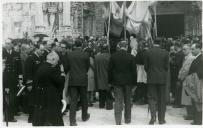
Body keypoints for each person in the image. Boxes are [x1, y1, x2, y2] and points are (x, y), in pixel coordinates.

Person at [32, 52, 65, 126]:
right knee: (54, 119)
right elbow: (60, 82)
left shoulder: (40, 67)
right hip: (51, 96)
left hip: (41, 94)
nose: (57, 63)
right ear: (53, 60)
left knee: (42, 118)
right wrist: (62, 72)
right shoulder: (51, 69)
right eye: (56, 61)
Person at [109, 40, 137, 125]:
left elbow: (109, 70)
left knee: (118, 101)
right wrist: (135, 83)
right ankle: (127, 119)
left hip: (117, 82)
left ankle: (118, 121)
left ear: (119, 46)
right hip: (128, 83)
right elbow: (134, 72)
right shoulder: (131, 57)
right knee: (128, 101)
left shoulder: (113, 56)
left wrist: (110, 82)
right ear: (127, 47)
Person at [144, 39, 169, 125]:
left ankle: (153, 117)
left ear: (153, 43)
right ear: (161, 43)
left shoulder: (148, 52)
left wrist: (151, 72)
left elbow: (146, 67)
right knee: (162, 99)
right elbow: (166, 67)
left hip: (151, 78)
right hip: (162, 79)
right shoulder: (165, 53)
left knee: (152, 98)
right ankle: (161, 119)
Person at [66, 39, 90, 126]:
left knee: (73, 100)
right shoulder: (86, 54)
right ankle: (84, 116)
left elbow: (67, 67)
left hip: (73, 79)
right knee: (84, 99)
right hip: (83, 79)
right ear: (81, 45)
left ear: (74, 45)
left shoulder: (70, 55)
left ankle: (72, 121)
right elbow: (87, 67)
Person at [3, 39, 23, 122]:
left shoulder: (16, 53)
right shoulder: (2, 53)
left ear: (12, 44)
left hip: (14, 79)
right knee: (6, 99)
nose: (7, 45)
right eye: (6, 43)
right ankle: (7, 117)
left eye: (9, 43)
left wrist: (20, 79)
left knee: (13, 98)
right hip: (5, 79)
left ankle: (11, 115)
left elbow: (19, 67)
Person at [24, 44, 44, 123]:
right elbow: (28, 72)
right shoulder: (30, 58)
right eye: (41, 50)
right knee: (32, 100)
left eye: (43, 50)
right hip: (33, 83)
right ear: (36, 49)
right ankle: (31, 117)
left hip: (40, 83)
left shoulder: (41, 57)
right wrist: (29, 84)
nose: (42, 52)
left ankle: (37, 116)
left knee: (38, 100)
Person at [178, 44, 195, 120]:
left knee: (188, 97)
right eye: (182, 49)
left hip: (188, 79)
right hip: (186, 79)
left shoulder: (191, 58)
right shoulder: (186, 57)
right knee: (186, 97)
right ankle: (189, 114)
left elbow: (186, 70)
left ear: (190, 49)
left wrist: (180, 77)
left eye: (185, 49)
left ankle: (190, 114)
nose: (183, 51)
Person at [188, 43, 203, 125]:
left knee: (197, 101)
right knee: (195, 101)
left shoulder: (201, 58)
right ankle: (197, 119)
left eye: (193, 49)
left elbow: (200, 73)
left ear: (199, 49)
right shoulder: (197, 58)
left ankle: (198, 120)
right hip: (195, 83)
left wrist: (193, 79)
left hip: (198, 83)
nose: (191, 51)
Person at [94, 44, 113, 109]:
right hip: (108, 77)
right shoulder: (110, 57)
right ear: (107, 49)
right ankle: (109, 105)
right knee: (108, 91)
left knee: (101, 92)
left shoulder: (96, 57)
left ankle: (101, 104)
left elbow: (95, 68)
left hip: (99, 77)